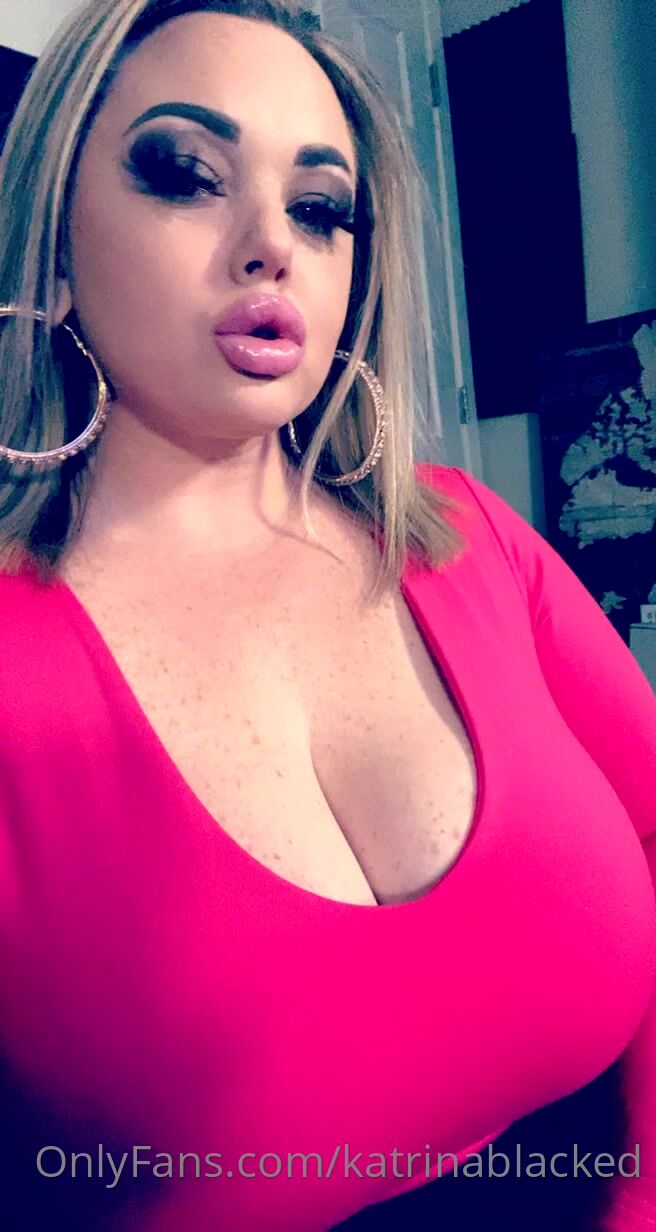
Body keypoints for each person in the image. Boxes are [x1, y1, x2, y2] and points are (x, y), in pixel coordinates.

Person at [0, 2, 653, 1230]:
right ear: (53, 245)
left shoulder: (469, 537)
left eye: (318, 207)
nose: (270, 247)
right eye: (185, 174)